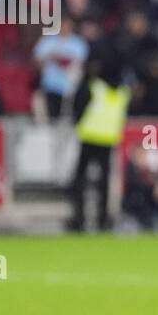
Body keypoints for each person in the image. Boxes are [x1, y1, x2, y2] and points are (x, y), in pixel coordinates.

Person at [67, 56, 130, 232]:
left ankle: (79, 218)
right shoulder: (123, 92)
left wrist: (78, 122)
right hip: (108, 140)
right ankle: (103, 220)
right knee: (104, 183)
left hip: (88, 137)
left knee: (80, 180)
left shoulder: (94, 87)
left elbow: (78, 107)